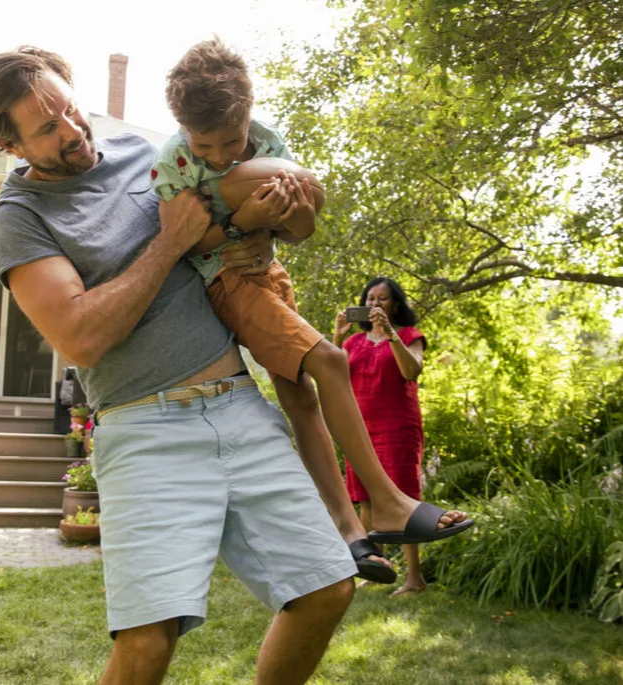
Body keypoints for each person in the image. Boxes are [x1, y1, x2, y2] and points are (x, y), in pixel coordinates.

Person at [0, 45, 360, 685]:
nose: (72, 132)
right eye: (46, 129)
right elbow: (80, 337)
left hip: (237, 404)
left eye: (70, 111)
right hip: (143, 428)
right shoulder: (19, 218)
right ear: (10, 145)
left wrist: (266, 227)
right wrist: (170, 241)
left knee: (326, 589)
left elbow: (244, 213)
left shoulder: (150, 155)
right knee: (148, 645)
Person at [153, 38, 473, 585]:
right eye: (202, 144)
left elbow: (299, 232)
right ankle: (389, 501)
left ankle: (351, 534)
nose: (215, 155)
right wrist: (241, 221)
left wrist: (281, 218)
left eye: (229, 142)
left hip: (272, 274)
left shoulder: (270, 143)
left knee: (301, 397)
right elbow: (176, 243)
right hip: (224, 280)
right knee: (330, 360)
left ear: (249, 113)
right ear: (184, 129)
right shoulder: (175, 161)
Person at [334, 276, 433, 596]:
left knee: (402, 497)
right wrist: (336, 337)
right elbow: (333, 378)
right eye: (370, 299)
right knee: (365, 498)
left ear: (396, 305)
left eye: (383, 299)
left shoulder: (409, 336)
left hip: (398, 427)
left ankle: (414, 578)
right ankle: (376, 569)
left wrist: (390, 335)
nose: (375, 304)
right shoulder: (352, 343)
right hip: (359, 427)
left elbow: (411, 371)